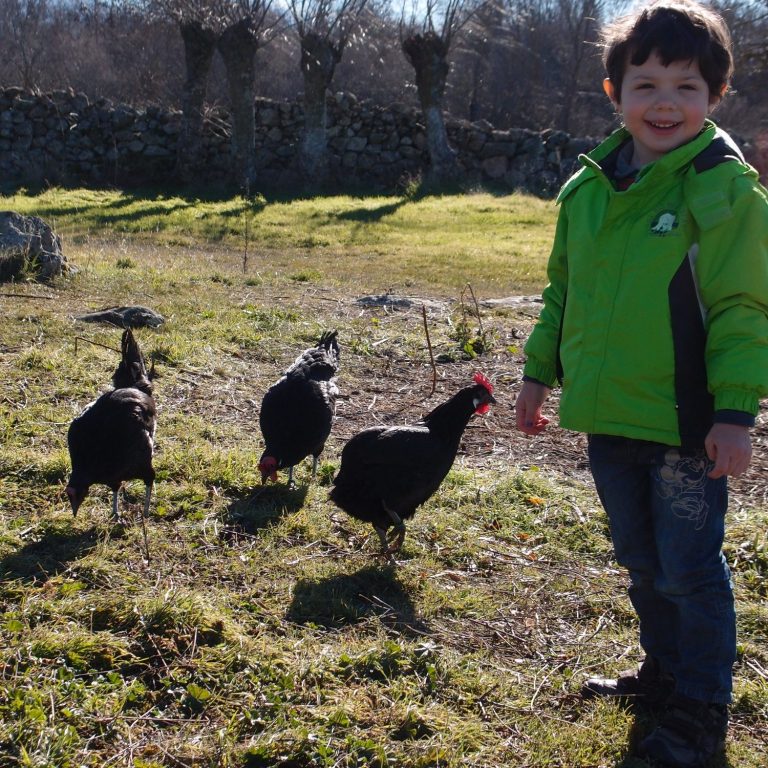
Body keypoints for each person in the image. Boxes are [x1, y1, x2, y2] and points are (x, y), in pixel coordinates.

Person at [514, 2, 768, 766]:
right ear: (613, 92)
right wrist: (536, 373)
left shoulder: (723, 192)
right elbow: (563, 292)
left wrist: (734, 414)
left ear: (714, 97)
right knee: (642, 559)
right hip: (609, 418)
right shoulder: (588, 189)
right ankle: (662, 675)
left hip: (687, 425)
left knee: (690, 569)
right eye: (646, 83)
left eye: (686, 87)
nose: (664, 103)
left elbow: (742, 309)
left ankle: (700, 710)